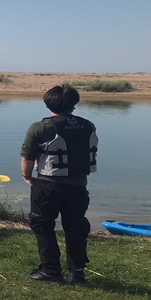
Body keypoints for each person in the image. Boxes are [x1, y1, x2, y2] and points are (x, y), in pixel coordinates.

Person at [22, 85, 98, 285]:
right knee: (76, 227)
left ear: (48, 103)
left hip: (48, 185)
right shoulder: (88, 125)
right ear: (74, 103)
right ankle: (77, 273)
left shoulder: (40, 127)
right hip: (78, 186)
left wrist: (28, 177)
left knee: (42, 225)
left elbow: (28, 157)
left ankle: (50, 271)